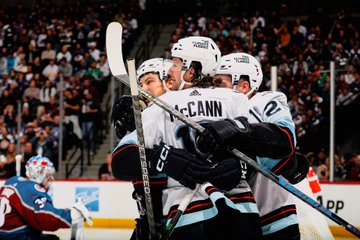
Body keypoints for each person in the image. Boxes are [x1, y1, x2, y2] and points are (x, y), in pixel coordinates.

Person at [112, 37, 263, 240]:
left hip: (189, 214)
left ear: (191, 70)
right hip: (243, 212)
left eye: (175, 64)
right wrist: (242, 167)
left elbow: (121, 161)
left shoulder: (163, 104)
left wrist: (164, 158)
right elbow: (254, 152)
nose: (170, 71)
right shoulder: (236, 99)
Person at [197, 52, 308, 240]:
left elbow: (285, 139)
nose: (214, 89)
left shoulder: (266, 101)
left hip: (275, 218)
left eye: (220, 83)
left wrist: (240, 129)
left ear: (244, 85)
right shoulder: (212, 109)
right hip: (234, 218)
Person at [0, 155, 92, 239]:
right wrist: (71, 215)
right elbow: (47, 219)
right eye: (48, 176)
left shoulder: (12, 181)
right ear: (38, 175)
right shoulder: (31, 189)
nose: (50, 179)